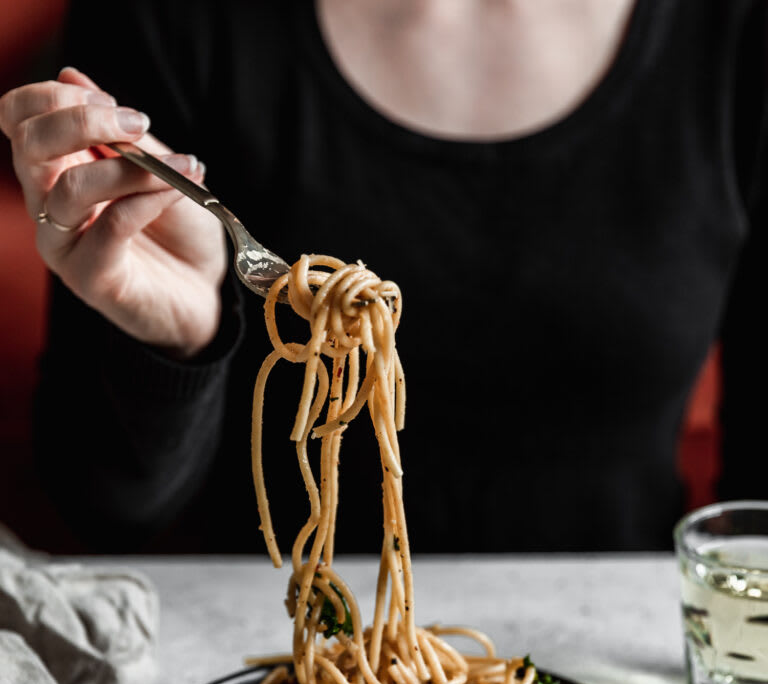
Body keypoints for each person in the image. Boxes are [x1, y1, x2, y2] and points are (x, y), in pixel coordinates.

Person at [0, 0, 765, 555]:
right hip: (268, 662)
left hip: (628, 667)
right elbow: (102, 512)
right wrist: (178, 338)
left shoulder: (735, 33)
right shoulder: (175, 20)